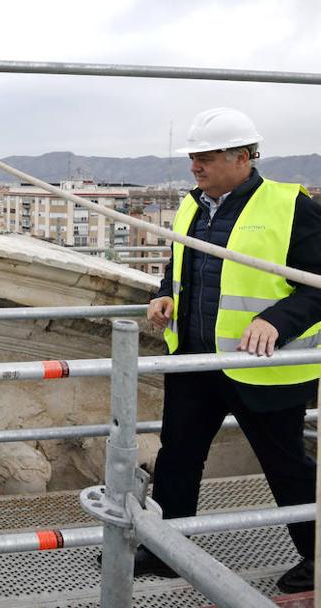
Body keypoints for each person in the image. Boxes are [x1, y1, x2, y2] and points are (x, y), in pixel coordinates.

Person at [144, 107, 319, 593]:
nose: (195, 168)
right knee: (177, 454)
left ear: (242, 158)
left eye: (205, 159)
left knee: (285, 462)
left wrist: (275, 321)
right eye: (193, 160)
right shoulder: (192, 205)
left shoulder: (291, 206)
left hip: (262, 367)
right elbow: (180, 267)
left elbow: (318, 286)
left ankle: (318, 556)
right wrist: (164, 295)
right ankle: (166, 548)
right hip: (197, 359)